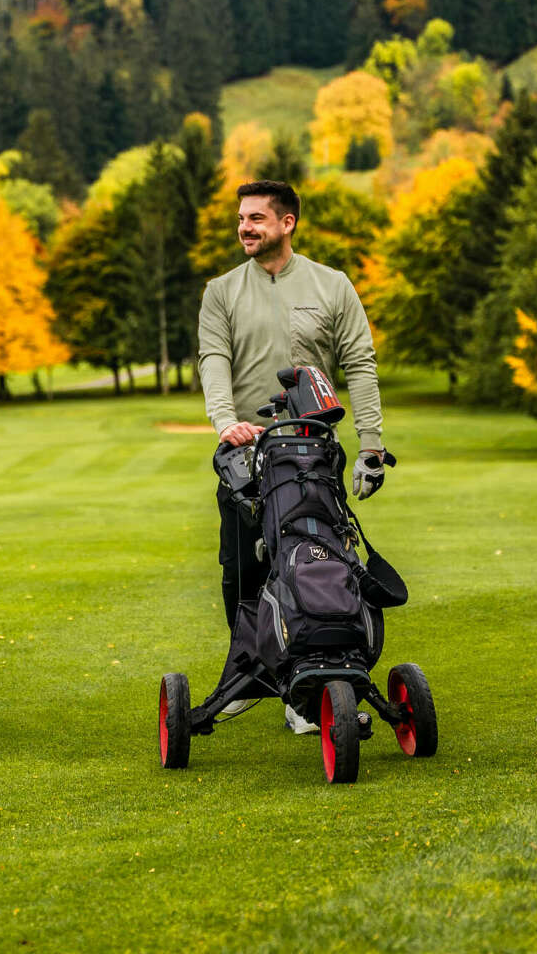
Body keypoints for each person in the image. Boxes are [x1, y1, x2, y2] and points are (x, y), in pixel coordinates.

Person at [196, 180, 387, 734]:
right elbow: (213, 359)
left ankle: (305, 688)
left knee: (314, 560)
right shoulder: (221, 291)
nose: (245, 227)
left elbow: (361, 365)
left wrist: (371, 447)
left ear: (287, 223)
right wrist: (225, 421)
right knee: (241, 570)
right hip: (245, 454)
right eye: (240, 218)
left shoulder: (332, 285)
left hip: (314, 454)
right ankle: (249, 672)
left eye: (256, 218)